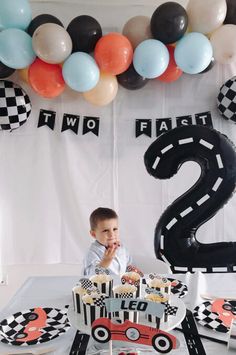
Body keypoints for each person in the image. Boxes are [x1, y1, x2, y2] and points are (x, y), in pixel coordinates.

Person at [82, 207, 132, 276]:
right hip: (101, 286)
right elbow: (91, 276)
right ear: (94, 234)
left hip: (120, 285)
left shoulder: (121, 248)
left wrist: (131, 270)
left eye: (114, 229)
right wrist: (105, 262)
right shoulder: (92, 253)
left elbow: (127, 264)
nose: (112, 234)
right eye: (105, 230)